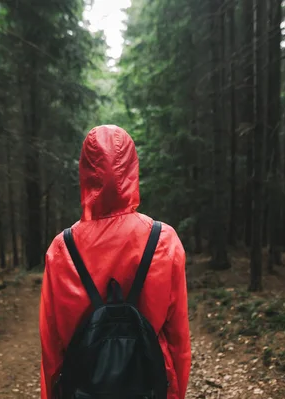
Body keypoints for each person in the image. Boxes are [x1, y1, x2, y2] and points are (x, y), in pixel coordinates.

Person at [39, 125, 191, 399]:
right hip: (150, 387)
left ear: (84, 171)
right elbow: (179, 338)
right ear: (133, 169)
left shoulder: (62, 248)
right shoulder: (163, 240)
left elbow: (51, 349)